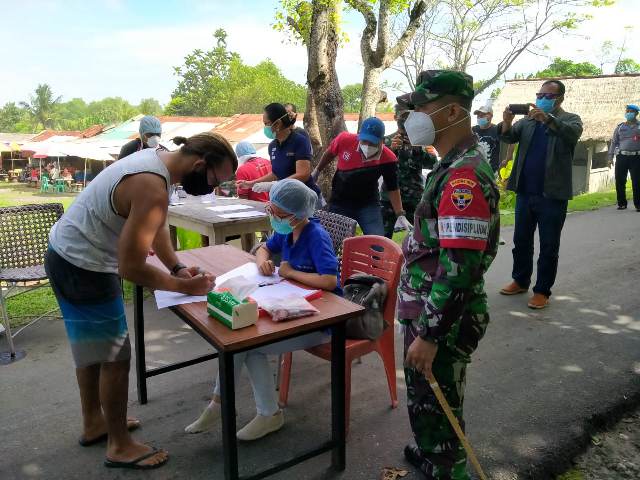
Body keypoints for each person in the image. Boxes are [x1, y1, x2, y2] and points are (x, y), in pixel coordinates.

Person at [44, 132, 237, 470]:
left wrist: (176, 266)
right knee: (116, 358)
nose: (213, 188)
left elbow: (155, 226)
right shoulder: (152, 186)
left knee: (92, 350)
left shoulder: (158, 162)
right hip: (84, 266)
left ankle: (94, 422)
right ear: (200, 164)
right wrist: (182, 285)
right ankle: (119, 445)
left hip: (66, 255)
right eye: (214, 180)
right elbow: (131, 267)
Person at [396, 70, 500, 480]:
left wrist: (429, 335)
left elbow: (459, 270)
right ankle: (433, 454)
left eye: (419, 108)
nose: (411, 118)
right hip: (429, 310)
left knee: (440, 407)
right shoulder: (452, 164)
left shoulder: (463, 177)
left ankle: (448, 468)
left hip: (440, 319)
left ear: (453, 111)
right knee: (429, 404)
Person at [185, 179, 339, 440]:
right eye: (272, 210)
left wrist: (291, 272)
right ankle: (227, 406)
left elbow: (330, 281)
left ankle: (259, 413)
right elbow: (265, 248)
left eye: (278, 213)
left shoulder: (316, 236)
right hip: (288, 305)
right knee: (240, 341)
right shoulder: (287, 229)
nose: (273, 217)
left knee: (248, 346)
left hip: (321, 320)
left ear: (297, 214)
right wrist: (263, 261)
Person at [499, 79, 583, 309]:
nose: (542, 99)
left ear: (560, 99)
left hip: (552, 195)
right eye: (540, 94)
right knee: (521, 240)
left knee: (548, 245)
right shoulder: (527, 121)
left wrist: (546, 118)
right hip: (526, 191)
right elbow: (508, 137)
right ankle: (520, 280)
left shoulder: (571, 120)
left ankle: (542, 290)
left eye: (548, 96)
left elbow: (570, 134)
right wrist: (506, 121)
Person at [313, 117, 410, 236]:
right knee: (332, 240)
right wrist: (317, 170)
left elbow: (393, 187)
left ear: (382, 141)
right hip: (340, 202)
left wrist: (400, 214)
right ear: (359, 136)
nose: (368, 145)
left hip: (368, 204)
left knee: (377, 241)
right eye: (364, 141)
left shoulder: (388, 158)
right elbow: (329, 153)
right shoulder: (344, 139)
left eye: (372, 143)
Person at [237, 103, 321, 204]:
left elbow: (303, 174)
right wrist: (250, 183)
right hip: (287, 198)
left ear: (277, 123)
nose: (265, 128)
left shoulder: (299, 141)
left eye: (266, 124)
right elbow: (275, 174)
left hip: (306, 198)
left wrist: (275, 185)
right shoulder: (272, 146)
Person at [382, 105, 437, 238]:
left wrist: (418, 149)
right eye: (402, 116)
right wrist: (391, 150)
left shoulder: (422, 141)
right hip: (389, 197)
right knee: (382, 237)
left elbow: (433, 164)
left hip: (414, 196)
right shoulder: (386, 141)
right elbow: (377, 167)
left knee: (419, 236)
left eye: (409, 117)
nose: (405, 120)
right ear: (395, 117)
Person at [608, 104, 640, 211]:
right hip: (622, 157)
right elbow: (614, 142)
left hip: (636, 157)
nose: (629, 113)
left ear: (636, 113)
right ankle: (622, 203)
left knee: (637, 181)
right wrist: (610, 158)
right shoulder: (620, 127)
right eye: (627, 111)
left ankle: (638, 204)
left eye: (631, 111)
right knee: (620, 180)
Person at [472, 103, 501, 172]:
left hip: (491, 171)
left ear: (491, 115)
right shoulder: (473, 130)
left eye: (483, 115)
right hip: (475, 170)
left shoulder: (497, 130)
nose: (479, 117)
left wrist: (508, 157)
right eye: (478, 116)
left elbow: (510, 142)